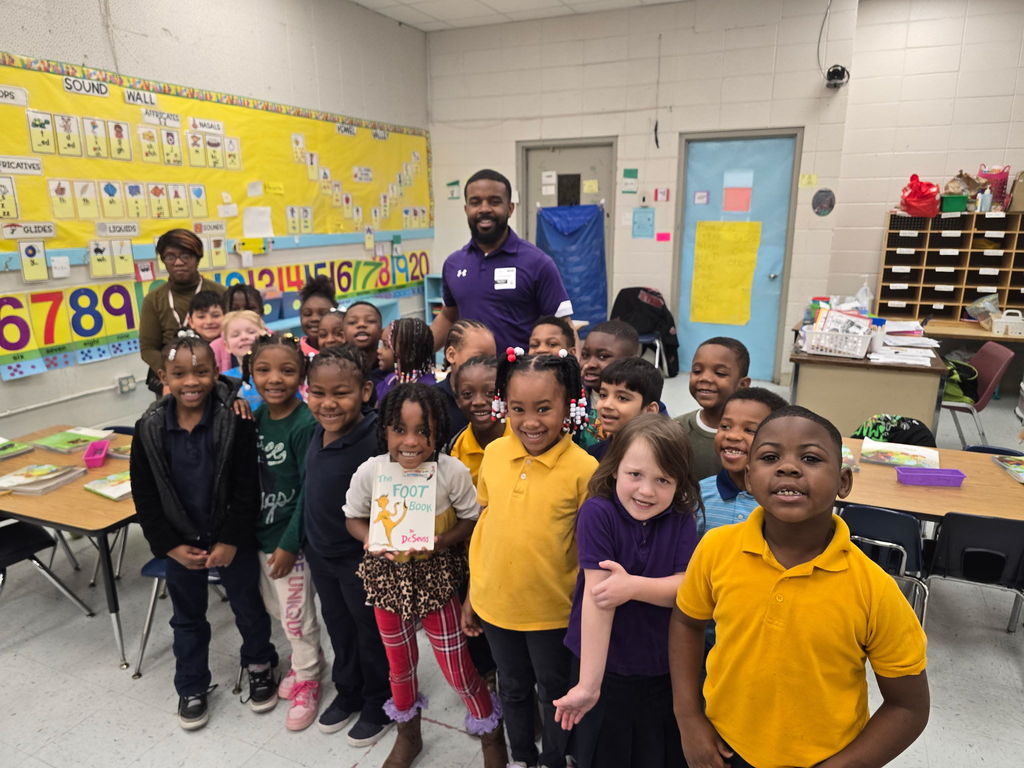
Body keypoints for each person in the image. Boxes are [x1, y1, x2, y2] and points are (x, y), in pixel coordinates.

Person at [670, 406, 929, 768]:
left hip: (825, 758)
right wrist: (689, 720)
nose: (788, 467)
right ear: (748, 477)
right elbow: (686, 622)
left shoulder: (874, 588)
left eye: (809, 458)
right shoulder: (716, 548)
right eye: (770, 456)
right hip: (724, 747)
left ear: (843, 483)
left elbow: (909, 707)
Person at [345, 383, 507, 768]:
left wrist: (441, 541)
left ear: (439, 431)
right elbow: (352, 516)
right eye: (400, 429)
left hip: (436, 580)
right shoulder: (372, 471)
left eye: (424, 430)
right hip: (387, 580)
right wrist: (369, 537)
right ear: (384, 429)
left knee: (457, 667)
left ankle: (489, 733)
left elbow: (471, 518)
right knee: (399, 667)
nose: (412, 442)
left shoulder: (451, 471)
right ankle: (409, 734)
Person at [129, 334, 278, 730]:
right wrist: (169, 546)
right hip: (181, 544)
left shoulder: (236, 421)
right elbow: (144, 495)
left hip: (231, 540)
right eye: (178, 373)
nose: (190, 381)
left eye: (201, 372)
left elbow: (249, 487)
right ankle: (192, 684)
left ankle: (260, 663)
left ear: (216, 372)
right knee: (187, 618)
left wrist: (231, 539)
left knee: (248, 606)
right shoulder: (149, 428)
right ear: (163, 376)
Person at [462, 351, 598, 768]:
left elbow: (590, 551)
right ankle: (521, 755)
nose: (530, 421)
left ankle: (555, 759)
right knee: (513, 686)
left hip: (552, 613)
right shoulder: (498, 454)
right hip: (495, 604)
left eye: (544, 409)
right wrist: (471, 593)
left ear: (569, 404)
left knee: (554, 691)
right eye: (518, 409)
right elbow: (487, 521)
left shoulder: (584, 469)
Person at [554, 415, 699, 768]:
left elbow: (687, 588)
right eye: (636, 475)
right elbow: (599, 599)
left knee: (656, 752)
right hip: (604, 665)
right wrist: (589, 685)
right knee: (605, 751)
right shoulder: (597, 513)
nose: (647, 491)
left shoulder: (680, 518)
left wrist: (632, 586)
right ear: (615, 468)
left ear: (678, 484)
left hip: (661, 664)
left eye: (662, 480)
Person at [287, 346, 393, 743]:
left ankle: (379, 700)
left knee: (369, 633)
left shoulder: (375, 440)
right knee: (338, 627)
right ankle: (348, 691)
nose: (328, 404)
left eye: (340, 394)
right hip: (322, 554)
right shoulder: (316, 430)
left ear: (365, 391)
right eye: (318, 393)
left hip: (359, 560)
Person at [248, 334, 325, 731]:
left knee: (297, 617)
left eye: (287, 370)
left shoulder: (305, 423)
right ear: (250, 373)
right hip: (261, 537)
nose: (274, 378)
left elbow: (309, 491)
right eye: (263, 370)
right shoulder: (255, 418)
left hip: (288, 542)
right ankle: (302, 663)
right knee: (279, 611)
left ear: (302, 375)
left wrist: (289, 545)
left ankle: (310, 679)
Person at [431, 169, 573, 352]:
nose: (484, 209)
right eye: (475, 202)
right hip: (470, 376)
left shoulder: (538, 263)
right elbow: (449, 316)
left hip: (521, 376)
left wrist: (572, 372)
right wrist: (416, 353)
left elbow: (564, 326)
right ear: (466, 209)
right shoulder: (453, 264)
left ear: (510, 208)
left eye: (494, 201)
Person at [138, 229, 225, 391]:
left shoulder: (221, 293)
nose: (178, 263)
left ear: (197, 258)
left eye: (185, 256)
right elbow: (148, 349)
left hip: (217, 374)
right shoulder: (154, 299)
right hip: (171, 380)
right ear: (163, 261)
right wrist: (172, 375)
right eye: (170, 257)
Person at [699, 387, 788, 537]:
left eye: (750, 430)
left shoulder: (783, 500)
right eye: (725, 426)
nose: (732, 436)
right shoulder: (699, 495)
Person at [674, 337, 751, 481]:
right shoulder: (676, 429)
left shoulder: (755, 436)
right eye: (697, 371)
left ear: (743, 384)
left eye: (720, 373)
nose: (705, 378)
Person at [577, 320, 641, 449]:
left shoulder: (642, 403)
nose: (590, 364)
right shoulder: (576, 399)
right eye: (585, 355)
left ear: (630, 361)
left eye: (603, 356)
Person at [444, 354, 506, 486]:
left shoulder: (523, 438)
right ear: (458, 400)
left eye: (490, 393)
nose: (478, 402)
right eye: (467, 394)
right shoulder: (457, 448)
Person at [587, 357, 663, 461]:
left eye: (622, 398)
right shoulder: (591, 456)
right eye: (603, 395)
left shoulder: (662, 458)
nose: (607, 404)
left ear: (650, 411)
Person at [436, 319, 497, 435]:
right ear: (451, 355)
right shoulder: (432, 401)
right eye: (478, 357)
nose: (485, 365)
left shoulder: (501, 396)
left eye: (492, 359)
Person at [376, 318, 436, 402]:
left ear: (409, 354)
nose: (379, 351)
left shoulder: (428, 391)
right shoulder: (389, 381)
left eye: (386, 346)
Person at [222, 310, 269, 410]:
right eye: (235, 335)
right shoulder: (225, 380)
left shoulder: (277, 373)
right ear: (227, 346)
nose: (244, 337)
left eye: (251, 332)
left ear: (265, 336)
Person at [342, 300, 385, 386]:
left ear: (381, 332)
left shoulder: (390, 369)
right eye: (352, 322)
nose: (361, 324)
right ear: (343, 335)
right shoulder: (337, 368)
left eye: (370, 321)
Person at [297, 276, 336, 357]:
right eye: (307, 314)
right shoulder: (296, 354)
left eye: (323, 313)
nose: (314, 319)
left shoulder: (348, 350)